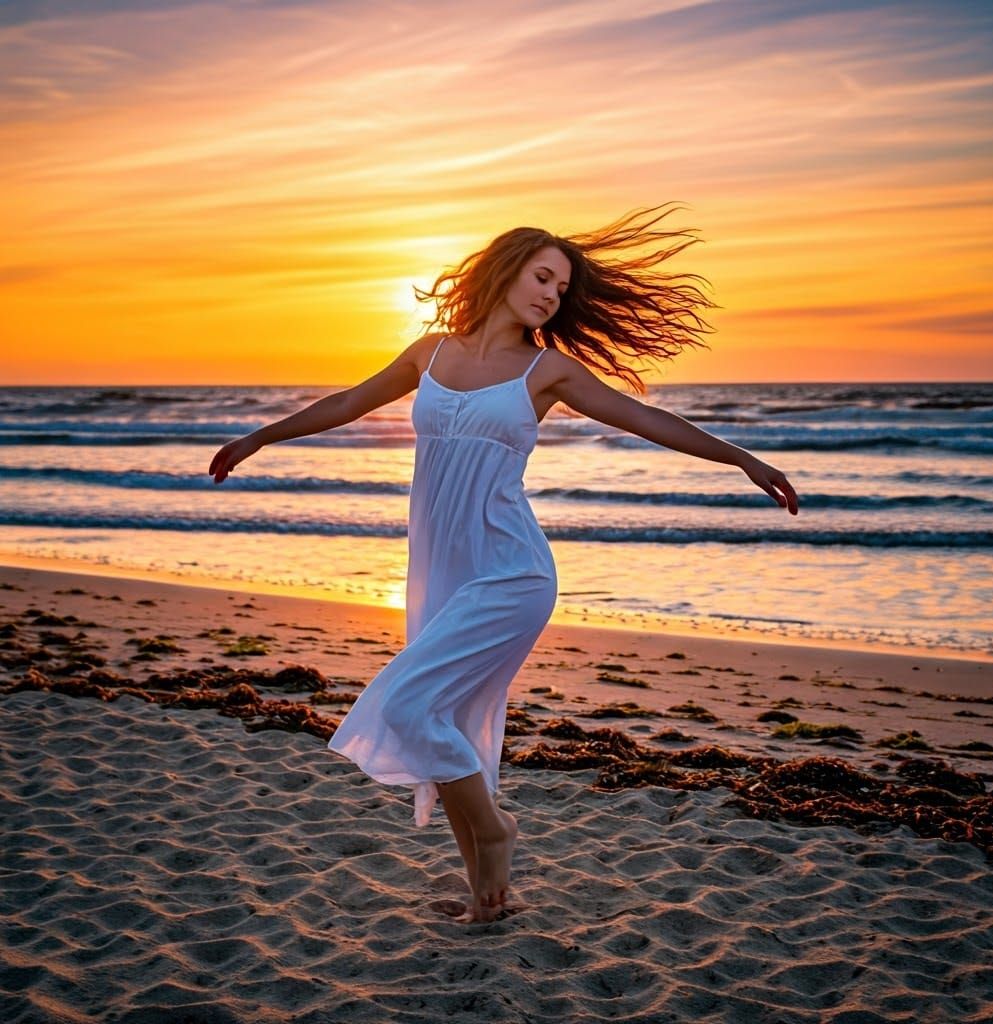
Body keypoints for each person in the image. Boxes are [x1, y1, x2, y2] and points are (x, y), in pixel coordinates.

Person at [208, 202, 799, 924]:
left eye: (561, 288)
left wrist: (743, 459)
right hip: (443, 573)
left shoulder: (548, 371)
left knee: (407, 704)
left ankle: (496, 831)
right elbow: (350, 401)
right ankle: (486, 893)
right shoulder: (432, 352)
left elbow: (648, 419)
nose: (551, 295)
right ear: (507, 267)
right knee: (443, 714)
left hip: (512, 571)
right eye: (544, 276)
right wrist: (259, 439)